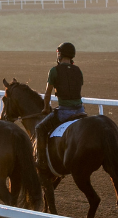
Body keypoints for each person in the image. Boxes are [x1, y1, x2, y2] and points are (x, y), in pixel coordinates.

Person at [35, 42, 85, 172]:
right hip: (81, 111)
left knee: (39, 128)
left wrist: (46, 108)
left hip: (64, 112)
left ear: (60, 54)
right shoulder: (78, 70)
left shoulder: (54, 71)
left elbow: (47, 94)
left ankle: (40, 161)